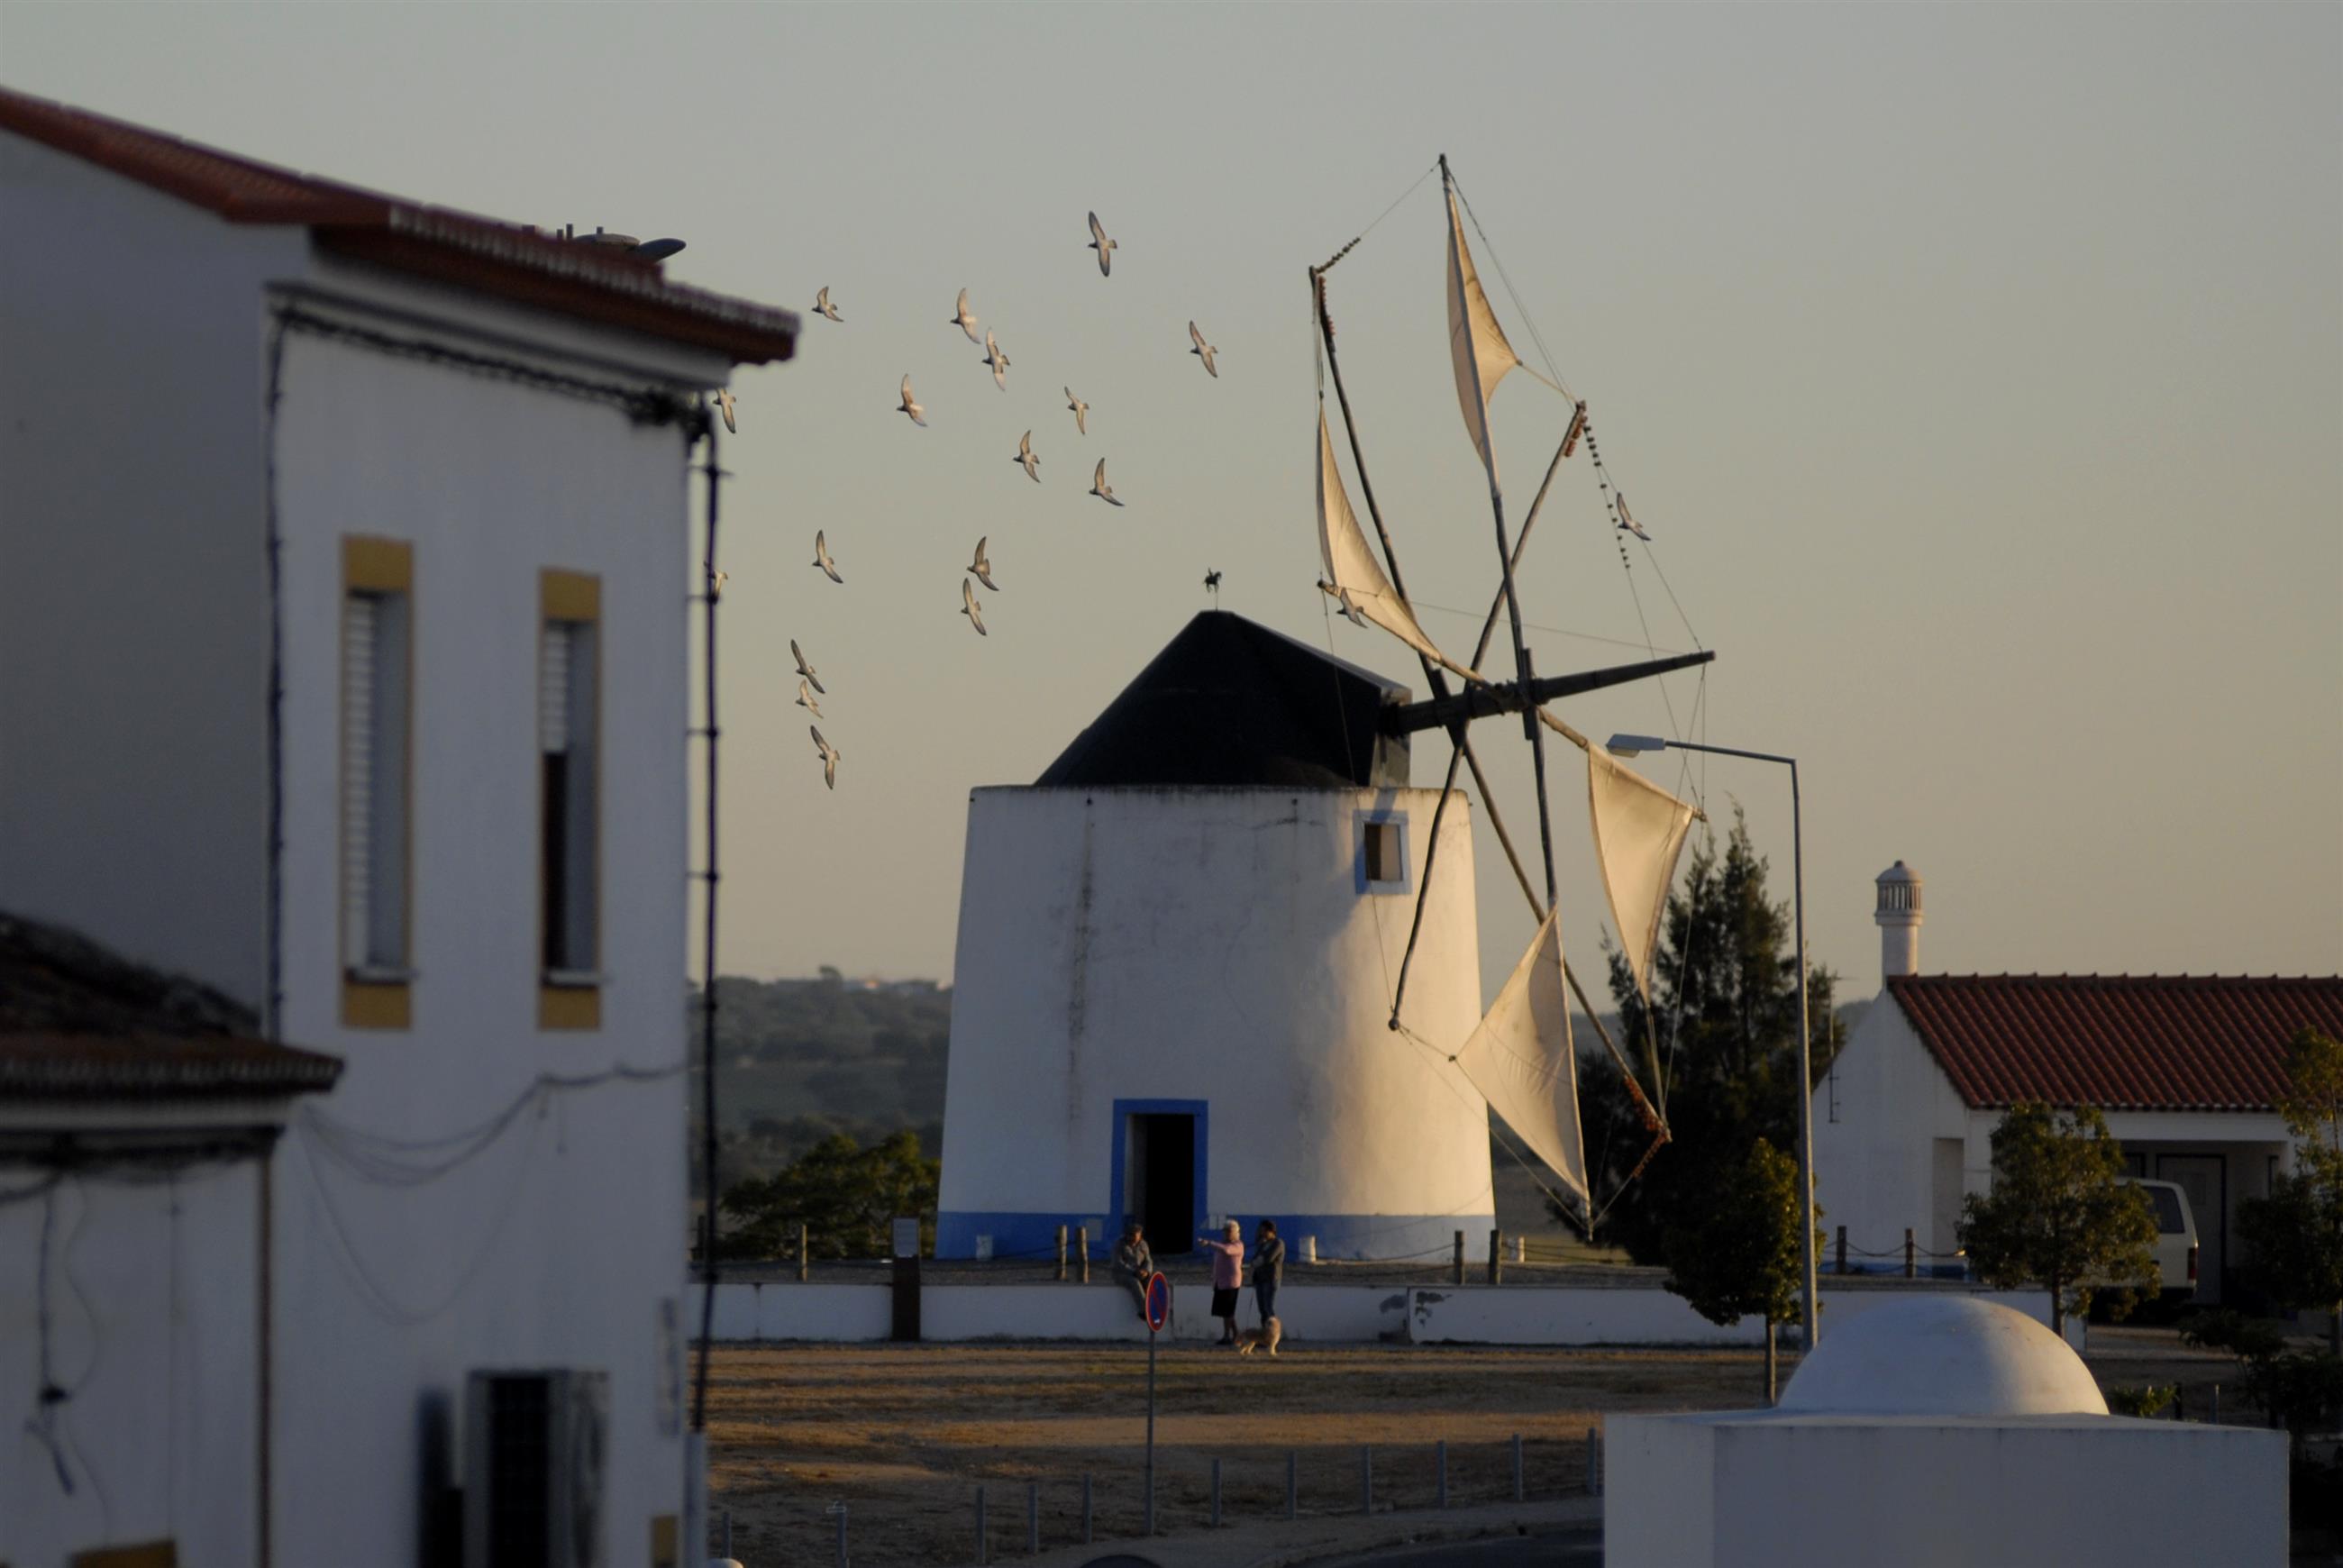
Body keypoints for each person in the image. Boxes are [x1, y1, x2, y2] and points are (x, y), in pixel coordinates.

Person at [1199, 1219, 1245, 1345]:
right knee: (1226, 1311)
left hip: (1231, 1282)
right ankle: (1236, 1334)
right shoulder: (1223, 1244)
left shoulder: (1238, 1245)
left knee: (1227, 1311)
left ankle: (1227, 1336)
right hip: (1221, 1282)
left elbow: (1227, 1251)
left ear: (1236, 1232)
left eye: (1229, 1231)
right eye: (1225, 1231)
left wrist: (1209, 1243)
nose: (1227, 1234)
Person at [1112, 1222, 1154, 1319]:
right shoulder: (1119, 1245)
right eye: (1129, 1235)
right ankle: (1144, 1311)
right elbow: (1118, 1263)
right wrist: (1133, 1272)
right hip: (1122, 1274)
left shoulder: (1143, 1244)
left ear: (1139, 1235)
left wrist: (1146, 1271)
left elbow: (1148, 1260)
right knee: (1134, 1282)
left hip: (1140, 1273)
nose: (1131, 1238)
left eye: (1133, 1236)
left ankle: (1154, 1307)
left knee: (1151, 1281)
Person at [1251, 1218, 1285, 1330]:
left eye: (1264, 1231)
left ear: (1271, 1231)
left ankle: (1272, 1333)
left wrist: (1257, 1261)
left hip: (1270, 1279)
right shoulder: (1263, 1244)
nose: (1262, 1233)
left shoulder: (1278, 1243)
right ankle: (1264, 1333)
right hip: (1260, 1279)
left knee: (1268, 1308)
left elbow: (1268, 1258)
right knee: (1262, 1309)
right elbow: (1255, 1258)